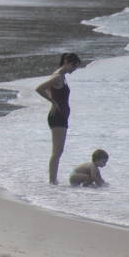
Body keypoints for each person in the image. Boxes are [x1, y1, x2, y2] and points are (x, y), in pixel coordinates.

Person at [35, 52, 81, 185]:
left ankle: (53, 179)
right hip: (57, 117)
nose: (74, 70)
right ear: (66, 62)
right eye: (74, 66)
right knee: (57, 150)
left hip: (61, 117)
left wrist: (53, 99)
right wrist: (53, 102)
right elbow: (39, 88)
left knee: (58, 150)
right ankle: (52, 180)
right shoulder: (57, 77)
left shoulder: (62, 76)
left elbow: (50, 90)